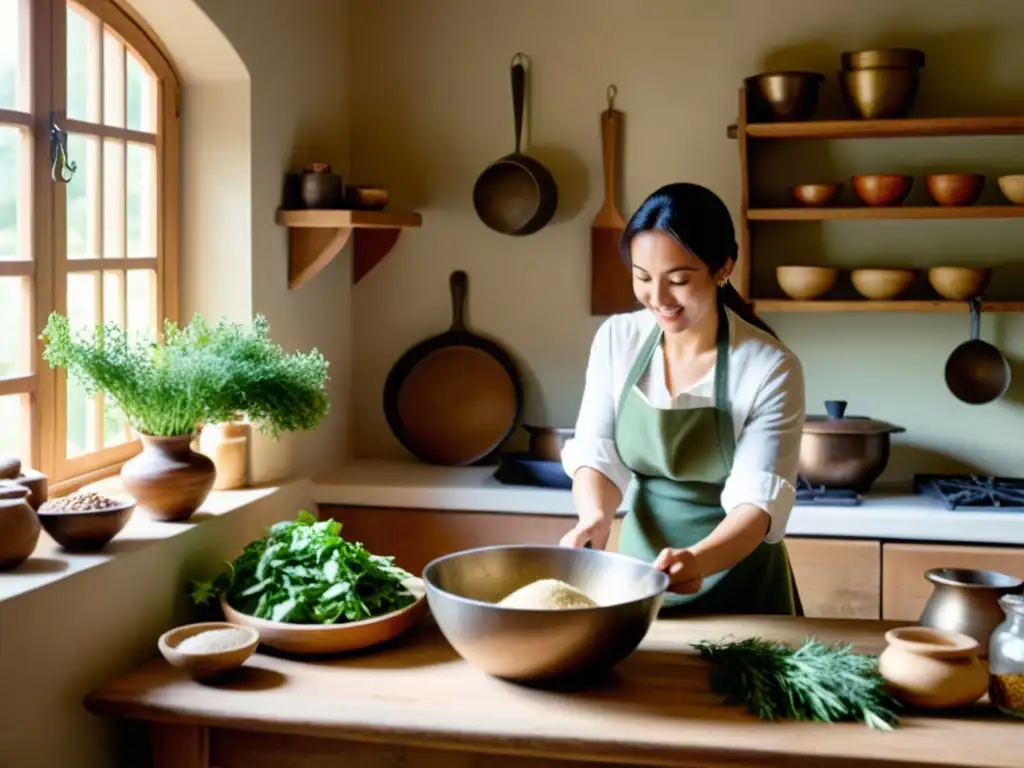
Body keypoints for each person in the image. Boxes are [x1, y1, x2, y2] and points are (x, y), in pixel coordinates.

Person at [559, 182, 806, 614]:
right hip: (640, 579)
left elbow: (757, 503)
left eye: (678, 280)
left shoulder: (768, 366)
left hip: (739, 577)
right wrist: (594, 519)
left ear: (722, 268)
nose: (658, 299)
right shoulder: (618, 340)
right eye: (642, 278)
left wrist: (697, 560)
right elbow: (597, 453)